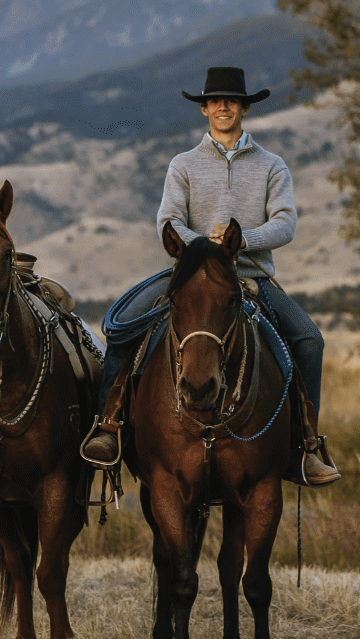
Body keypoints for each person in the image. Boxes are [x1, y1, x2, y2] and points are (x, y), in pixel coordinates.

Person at [78, 66, 343, 485]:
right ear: (204, 109)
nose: (224, 107)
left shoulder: (272, 166)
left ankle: (305, 445)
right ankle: (107, 427)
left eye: (232, 100)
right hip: (188, 276)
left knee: (310, 340)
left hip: (252, 279)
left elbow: (286, 224)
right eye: (215, 101)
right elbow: (168, 220)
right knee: (122, 326)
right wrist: (205, 250)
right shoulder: (182, 165)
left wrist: (238, 243)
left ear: (244, 107)